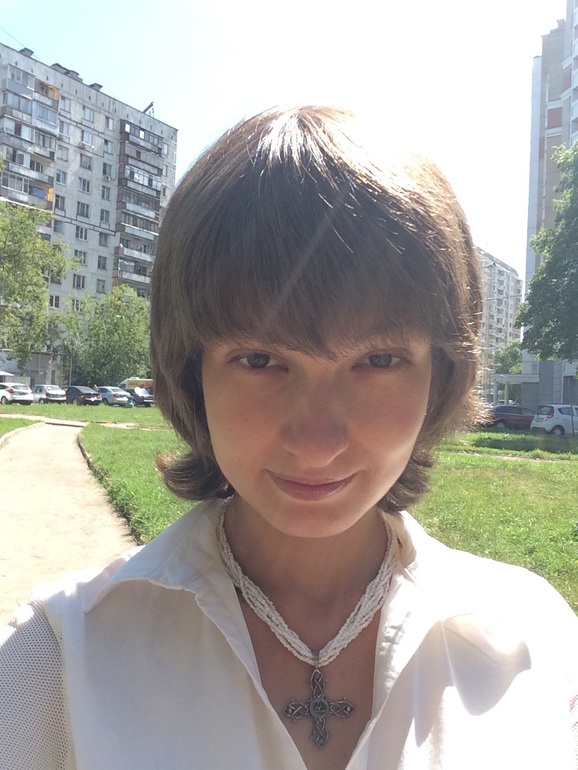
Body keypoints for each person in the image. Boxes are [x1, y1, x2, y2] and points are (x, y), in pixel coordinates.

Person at [1, 106, 576, 770]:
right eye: (260, 360)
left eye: (378, 360)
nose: (317, 442)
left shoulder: (537, 641)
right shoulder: (58, 660)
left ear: (441, 372)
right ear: (191, 371)